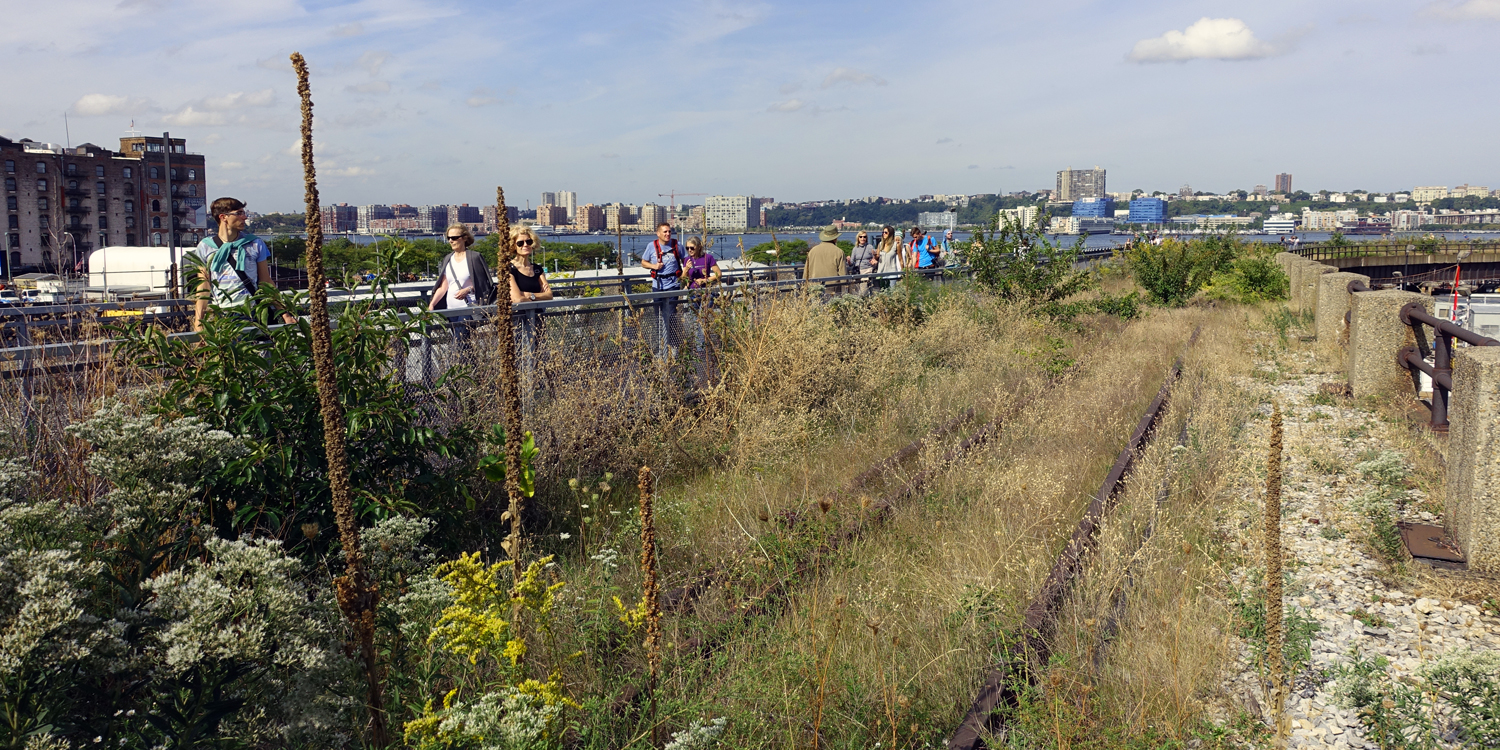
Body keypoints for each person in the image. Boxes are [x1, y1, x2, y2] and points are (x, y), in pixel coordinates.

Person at [192, 196, 295, 331]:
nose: (244, 217)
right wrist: (198, 322)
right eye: (239, 213)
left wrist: (285, 314)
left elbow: (265, 281)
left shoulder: (255, 243)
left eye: (244, 213)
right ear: (223, 217)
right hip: (224, 313)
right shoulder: (205, 247)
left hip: (255, 310)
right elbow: (203, 286)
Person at [428, 223, 497, 312]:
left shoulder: (474, 257)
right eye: (448, 238)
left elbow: (484, 284)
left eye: (454, 238)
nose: (450, 241)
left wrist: (468, 290)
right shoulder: (448, 258)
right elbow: (443, 287)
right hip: (450, 309)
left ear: (464, 238)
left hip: (470, 308)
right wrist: (432, 304)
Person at [507, 226, 554, 303]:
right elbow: (517, 299)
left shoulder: (537, 269)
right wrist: (540, 296)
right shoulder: (508, 269)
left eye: (529, 242)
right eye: (520, 243)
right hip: (520, 311)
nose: (525, 245)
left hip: (539, 310)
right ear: (513, 246)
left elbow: (549, 296)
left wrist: (529, 295)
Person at [640, 221, 683, 291]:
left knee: (672, 299)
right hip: (657, 285)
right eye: (665, 232)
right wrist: (654, 266)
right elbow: (643, 263)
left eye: (669, 231)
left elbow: (685, 262)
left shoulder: (677, 245)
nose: (668, 234)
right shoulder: (651, 246)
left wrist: (684, 278)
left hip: (674, 285)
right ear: (658, 233)